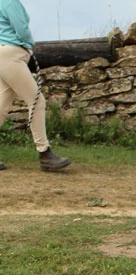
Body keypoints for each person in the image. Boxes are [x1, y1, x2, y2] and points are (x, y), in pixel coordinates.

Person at [0, 0, 70, 171]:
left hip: (4, 54)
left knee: (2, 105)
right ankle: (45, 153)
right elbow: (21, 29)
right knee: (37, 101)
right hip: (12, 55)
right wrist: (29, 44)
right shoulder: (10, 2)